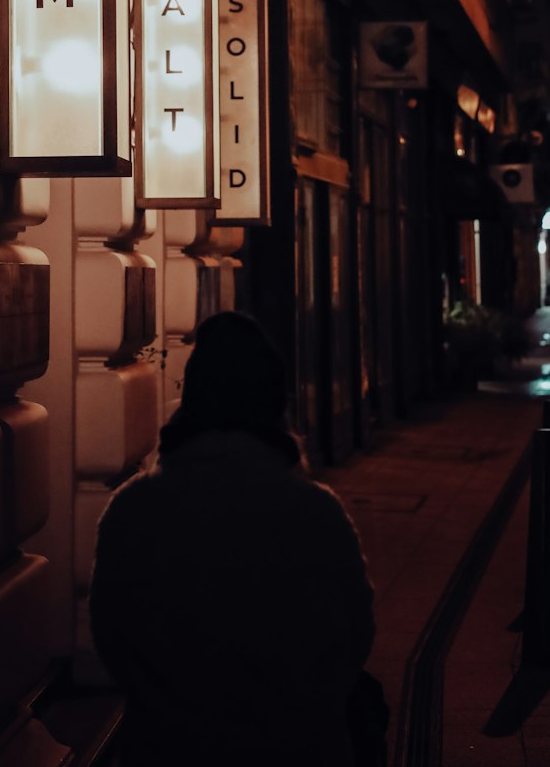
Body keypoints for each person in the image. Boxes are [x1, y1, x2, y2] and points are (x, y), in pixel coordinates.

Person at [89, 311, 377, 767]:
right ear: (271, 404)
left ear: (193, 398)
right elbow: (353, 633)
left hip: (169, 750)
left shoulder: (135, 511)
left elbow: (113, 637)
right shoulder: (315, 513)